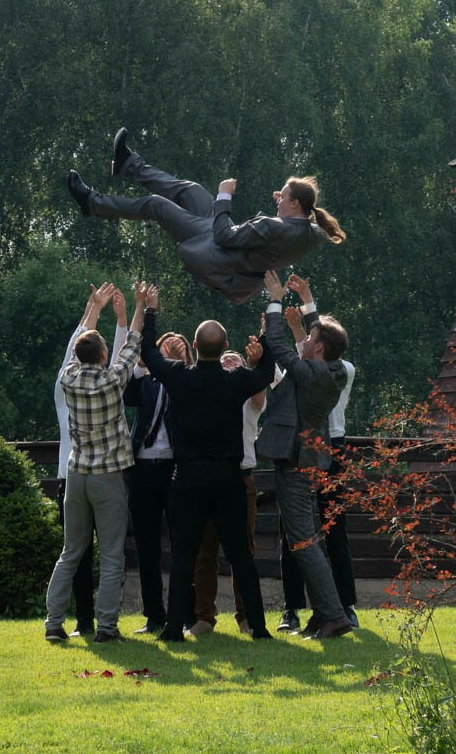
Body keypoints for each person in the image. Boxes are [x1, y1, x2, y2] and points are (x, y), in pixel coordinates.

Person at [67, 128, 345, 303]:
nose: (278, 198)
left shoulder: (273, 226)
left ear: (295, 204)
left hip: (219, 251)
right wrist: (283, 206)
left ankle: (91, 203)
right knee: (194, 191)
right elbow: (286, 226)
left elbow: (225, 235)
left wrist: (225, 195)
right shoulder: (312, 230)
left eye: (283, 196)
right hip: (236, 255)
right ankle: (129, 164)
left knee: (156, 205)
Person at [139, 290, 274, 641]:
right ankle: (257, 627)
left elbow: (149, 353)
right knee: (241, 555)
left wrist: (151, 312)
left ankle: (174, 628)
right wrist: (262, 340)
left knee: (184, 554)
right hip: (228, 478)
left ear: (194, 345)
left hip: (188, 478)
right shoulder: (237, 381)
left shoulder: (180, 377)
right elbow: (267, 372)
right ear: (225, 343)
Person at [44, 281, 145, 645]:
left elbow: (76, 345)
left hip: (76, 474)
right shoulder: (112, 380)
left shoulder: (68, 377)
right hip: (107, 476)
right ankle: (105, 627)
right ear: (104, 355)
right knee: (112, 554)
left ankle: (53, 623)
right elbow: (133, 342)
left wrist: (95, 308)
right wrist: (137, 306)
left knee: (71, 551)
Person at [257, 270, 352, 641]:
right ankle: (323, 614)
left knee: (302, 541)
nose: (307, 338)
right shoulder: (334, 369)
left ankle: (332, 615)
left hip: (297, 463)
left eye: (310, 337)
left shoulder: (309, 372)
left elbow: (279, 346)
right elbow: (324, 337)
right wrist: (310, 304)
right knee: (306, 538)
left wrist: (276, 299)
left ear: (317, 349)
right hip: (309, 461)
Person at [192, 350, 266, 636]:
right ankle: (204, 618)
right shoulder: (204, 394)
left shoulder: (250, 400)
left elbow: (260, 393)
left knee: (243, 553)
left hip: (240, 478)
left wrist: (258, 363)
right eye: (224, 359)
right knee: (204, 552)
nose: (230, 362)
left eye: (235, 359)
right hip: (207, 477)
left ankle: (246, 617)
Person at [122, 332, 182, 634]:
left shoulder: (185, 382)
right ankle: (154, 615)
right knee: (147, 547)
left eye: (176, 348)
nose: (170, 352)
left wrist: (182, 362)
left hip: (175, 469)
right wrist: (143, 363)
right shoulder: (145, 382)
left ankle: (181, 614)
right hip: (143, 468)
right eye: (164, 349)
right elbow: (127, 397)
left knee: (181, 544)